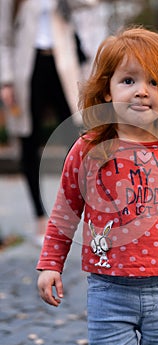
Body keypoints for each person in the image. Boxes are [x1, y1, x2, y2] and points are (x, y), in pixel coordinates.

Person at [36, 27, 158, 345]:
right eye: (129, 80)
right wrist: (51, 264)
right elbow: (65, 211)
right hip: (108, 290)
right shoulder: (88, 150)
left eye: (154, 82)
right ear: (107, 90)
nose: (142, 91)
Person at [0, 0, 91, 244]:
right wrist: (6, 80)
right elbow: (4, 38)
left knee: (75, 140)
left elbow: (89, 4)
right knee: (29, 142)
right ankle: (40, 217)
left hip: (63, 67)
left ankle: (75, 213)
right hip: (27, 70)